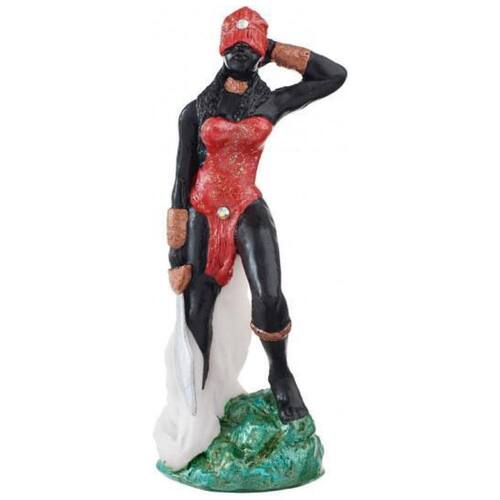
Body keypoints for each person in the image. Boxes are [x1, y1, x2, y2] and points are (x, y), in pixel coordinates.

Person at [167, 6, 347, 424]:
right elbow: (180, 179)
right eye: (232, 44)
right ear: (220, 48)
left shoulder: (271, 101)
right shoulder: (195, 110)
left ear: (260, 50)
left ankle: (280, 372)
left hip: (247, 204)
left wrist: (275, 48)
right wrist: (176, 252)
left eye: (249, 45)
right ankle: (199, 406)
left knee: (269, 293)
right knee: (198, 306)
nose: (240, 51)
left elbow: (334, 75)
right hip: (202, 209)